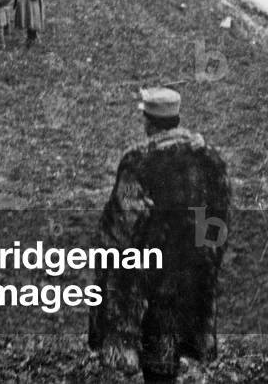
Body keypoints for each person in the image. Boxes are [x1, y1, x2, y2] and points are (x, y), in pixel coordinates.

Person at [88, 87, 230, 384]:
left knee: (157, 349)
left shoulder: (139, 161)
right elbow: (219, 216)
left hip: (151, 274)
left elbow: (124, 223)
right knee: (175, 341)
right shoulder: (209, 157)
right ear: (176, 118)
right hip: (192, 269)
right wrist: (208, 259)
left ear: (148, 121)